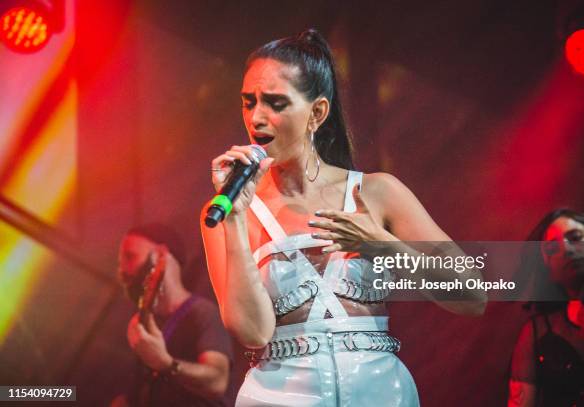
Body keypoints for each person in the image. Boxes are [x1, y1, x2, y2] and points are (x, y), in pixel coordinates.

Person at [201, 29, 486, 406]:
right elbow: (252, 332)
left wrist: (380, 244)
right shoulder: (225, 209)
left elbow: (472, 294)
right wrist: (236, 219)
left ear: (317, 112)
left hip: (380, 393)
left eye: (275, 103)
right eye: (248, 101)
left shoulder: (377, 192)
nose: (256, 117)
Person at [112, 224, 233, 407]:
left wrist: (167, 364)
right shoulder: (147, 323)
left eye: (130, 257)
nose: (122, 270)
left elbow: (217, 381)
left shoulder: (202, 313)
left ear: (160, 255)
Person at [508, 209, 584, 407]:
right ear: (546, 266)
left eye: (575, 237)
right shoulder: (535, 334)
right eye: (553, 248)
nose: (568, 249)